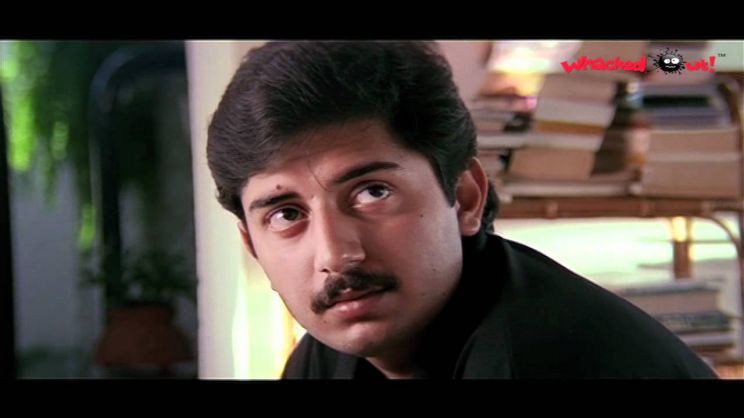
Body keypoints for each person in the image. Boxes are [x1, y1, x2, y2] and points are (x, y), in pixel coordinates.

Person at [206, 41, 717, 379]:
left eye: (372, 192)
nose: (336, 256)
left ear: (465, 197)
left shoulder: (539, 360)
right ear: (252, 244)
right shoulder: (335, 350)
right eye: (287, 215)